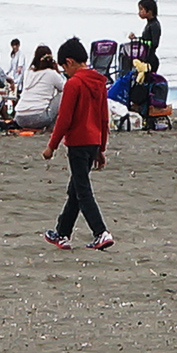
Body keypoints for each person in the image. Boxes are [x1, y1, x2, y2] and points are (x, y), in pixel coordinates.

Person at [42, 36, 113, 250]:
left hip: (78, 142)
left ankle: (101, 232)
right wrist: (101, 149)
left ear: (70, 62)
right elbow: (103, 118)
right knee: (75, 189)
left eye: (65, 68)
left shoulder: (74, 84)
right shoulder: (99, 83)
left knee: (82, 190)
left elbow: (65, 119)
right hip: (93, 142)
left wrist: (51, 146)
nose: (65, 72)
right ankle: (62, 233)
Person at [13, 45, 65, 130]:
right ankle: (53, 127)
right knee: (63, 95)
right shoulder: (51, 73)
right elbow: (66, 88)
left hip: (20, 117)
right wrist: (58, 72)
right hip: (39, 117)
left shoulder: (28, 73)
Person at [130, 0, 161, 66]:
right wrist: (136, 39)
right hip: (145, 57)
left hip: (150, 60)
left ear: (150, 11)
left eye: (141, 9)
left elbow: (154, 44)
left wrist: (140, 41)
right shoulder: (149, 24)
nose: (139, 12)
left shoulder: (154, 25)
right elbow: (146, 39)